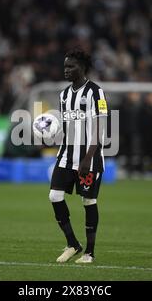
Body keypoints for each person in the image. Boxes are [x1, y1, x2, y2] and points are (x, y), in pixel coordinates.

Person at [49, 49, 108, 264]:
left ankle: (89, 253)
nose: (66, 70)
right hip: (66, 155)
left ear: (83, 68)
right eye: (65, 66)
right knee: (54, 196)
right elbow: (66, 127)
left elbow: (100, 128)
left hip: (88, 158)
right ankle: (72, 243)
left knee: (88, 200)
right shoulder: (63, 95)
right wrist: (49, 135)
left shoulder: (96, 93)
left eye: (71, 66)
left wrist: (87, 158)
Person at [138, 93, 152, 174]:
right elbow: (141, 122)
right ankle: (141, 169)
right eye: (151, 97)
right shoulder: (143, 108)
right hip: (144, 134)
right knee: (143, 152)